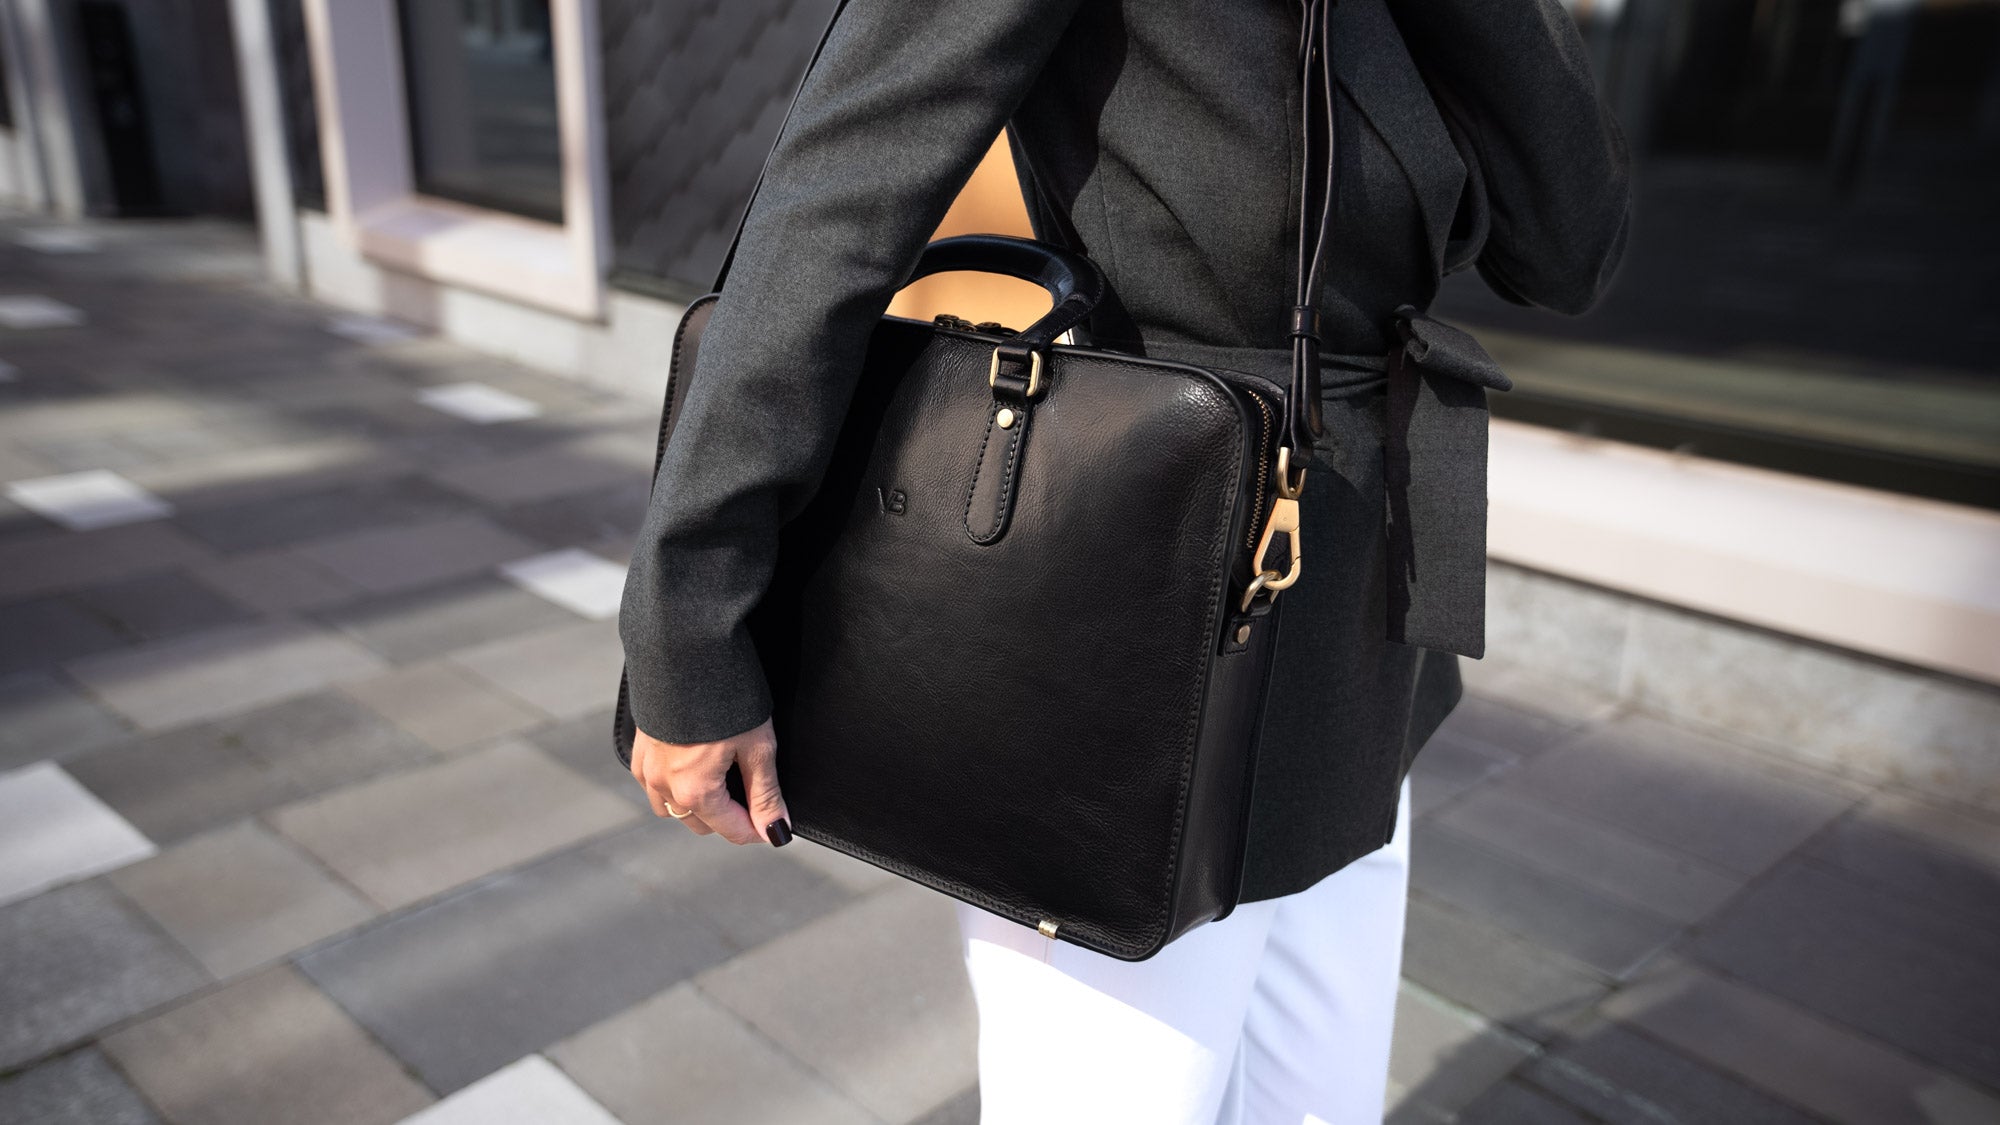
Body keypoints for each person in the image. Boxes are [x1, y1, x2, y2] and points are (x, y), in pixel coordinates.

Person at [617, 0, 1632, 1120]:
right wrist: (692, 621)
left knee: (1317, 1104)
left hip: (1349, 638)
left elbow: (1566, 248)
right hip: (1142, 607)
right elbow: (830, 205)